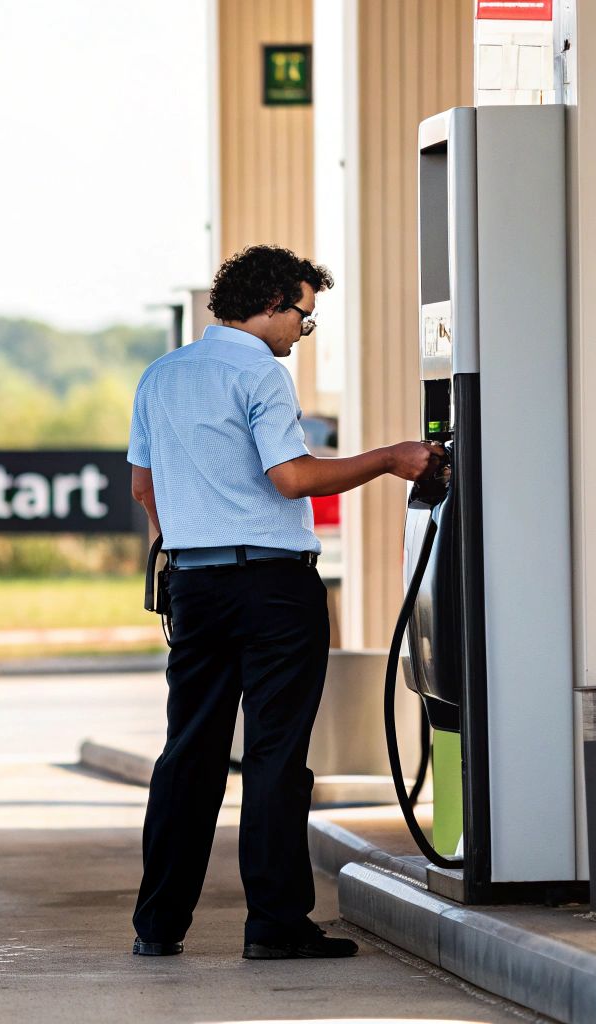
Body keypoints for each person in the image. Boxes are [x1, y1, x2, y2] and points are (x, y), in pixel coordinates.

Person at [127, 245, 442, 960]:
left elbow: (145, 489)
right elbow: (293, 478)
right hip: (272, 586)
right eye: (303, 315)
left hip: (192, 583)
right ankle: (273, 925)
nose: (304, 331)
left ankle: (158, 924)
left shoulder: (162, 375)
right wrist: (392, 459)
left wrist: (185, 552)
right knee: (274, 754)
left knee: (190, 751)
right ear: (270, 303)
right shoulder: (258, 374)